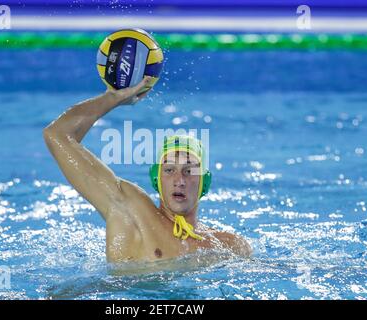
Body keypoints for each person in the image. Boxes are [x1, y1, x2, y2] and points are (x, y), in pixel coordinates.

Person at [43, 76, 251, 263]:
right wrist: (112, 98)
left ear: (205, 182)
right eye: (169, 170)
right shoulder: (131, 210)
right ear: (156, 178)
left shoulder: (230, 246)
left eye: (189, 171)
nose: (179, 180)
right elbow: (57, 135)